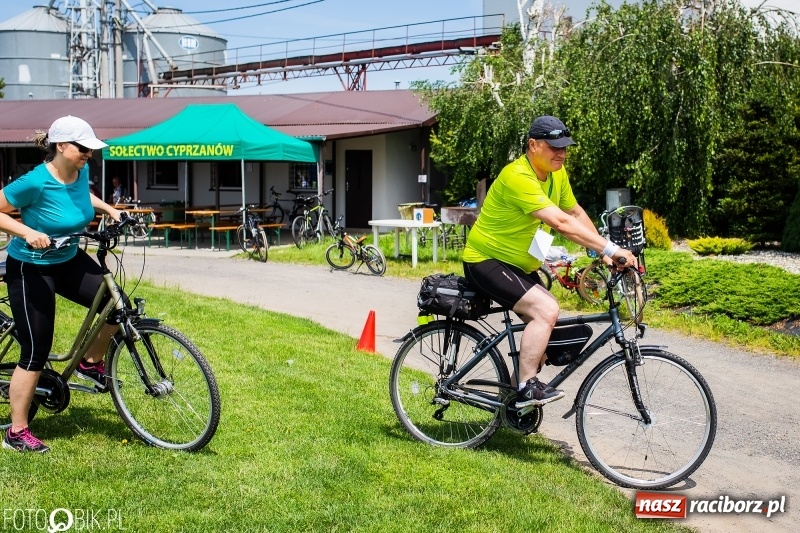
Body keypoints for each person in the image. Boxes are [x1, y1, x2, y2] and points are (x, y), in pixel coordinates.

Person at [462, 115, 635, 408]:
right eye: (555, 147)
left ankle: (510, 405)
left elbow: (574, 212)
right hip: (486, 260)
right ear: (533, 145)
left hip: (520, 265)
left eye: (565, 147)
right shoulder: (518, 176)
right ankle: (527, 387)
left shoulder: (556, 174)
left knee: (546, 329)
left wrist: (603, 253)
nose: (562, 153)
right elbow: (560, 222)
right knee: (545, 310)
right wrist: (611, 247)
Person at [0, 115, 124, 453]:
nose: (89, 154)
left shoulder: (79, 172)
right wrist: (28, 232)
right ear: (61, 146)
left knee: (117, 306)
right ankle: (16, 432)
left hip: (67, 259)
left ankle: (90, 363)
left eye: (91, 149)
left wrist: (111, 210)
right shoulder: (35, 181)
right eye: (83, 148)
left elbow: (82, 196)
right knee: (35, 351)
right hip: (32, 267)